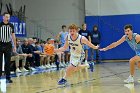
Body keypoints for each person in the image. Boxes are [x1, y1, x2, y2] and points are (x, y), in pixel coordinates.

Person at [0, 12, 16, 83]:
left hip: (8, 45)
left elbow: (13, 36)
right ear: (3, 17)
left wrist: (14, 46)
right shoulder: (0, 25)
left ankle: (8, 77)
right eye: (6, 17)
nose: (7, 18)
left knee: (7, 62)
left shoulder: (11, 25)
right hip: (0, 44)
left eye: (8, 17)